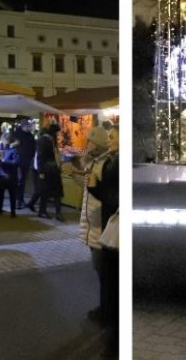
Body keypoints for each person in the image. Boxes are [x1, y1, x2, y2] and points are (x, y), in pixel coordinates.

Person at [87, 128, 119, 356]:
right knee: (107, 278)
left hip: (112, 229)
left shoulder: (115, 163)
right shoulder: (111, 160)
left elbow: (114, 197)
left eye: (113, 137)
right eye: (108, 137)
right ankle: (110, 326)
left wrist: (93, 186)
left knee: (110, 279)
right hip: (107, 226)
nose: (110, 141)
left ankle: (114, 340)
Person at [78, 127, 111, 321]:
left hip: (100, 223)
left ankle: (107, 310)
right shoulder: (92, 162)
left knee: (103, 271)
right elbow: (85, 187)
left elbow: (100, 192)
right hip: (92, 222)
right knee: (100, 270)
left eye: (90, 141)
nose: (87, 144)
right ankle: (104, 307)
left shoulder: (105, 164)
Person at [26, 123, 63, 219]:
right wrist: (41, 172)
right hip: (45, 169)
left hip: (51, 169)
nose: (59, 135)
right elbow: (40, 157)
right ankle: (42, 211)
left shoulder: (50, 140)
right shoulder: (44, 140)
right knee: (44, 191)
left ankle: (57, 213)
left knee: (53, 191)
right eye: (58, 133)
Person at [9, 119, 37, 207]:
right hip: (18, 160)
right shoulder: (16, 134)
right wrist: (14, 145)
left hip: (27, 160)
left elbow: (33, 146)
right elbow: (8, 144)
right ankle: (17, 200)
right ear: (24, 126)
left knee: (23, 181)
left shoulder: (30, 135)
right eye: (29, 126)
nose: (30, 128)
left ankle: (20, 199)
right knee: (19, 180)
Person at [0, 141, 20, 217]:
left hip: (10, 176)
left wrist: (4, 161)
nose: (2, 144)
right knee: (0, 193)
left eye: (4, 142)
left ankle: (13, 212)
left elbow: (16, 162)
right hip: (1, 175)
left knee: (12, 194)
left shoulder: (13, 150)